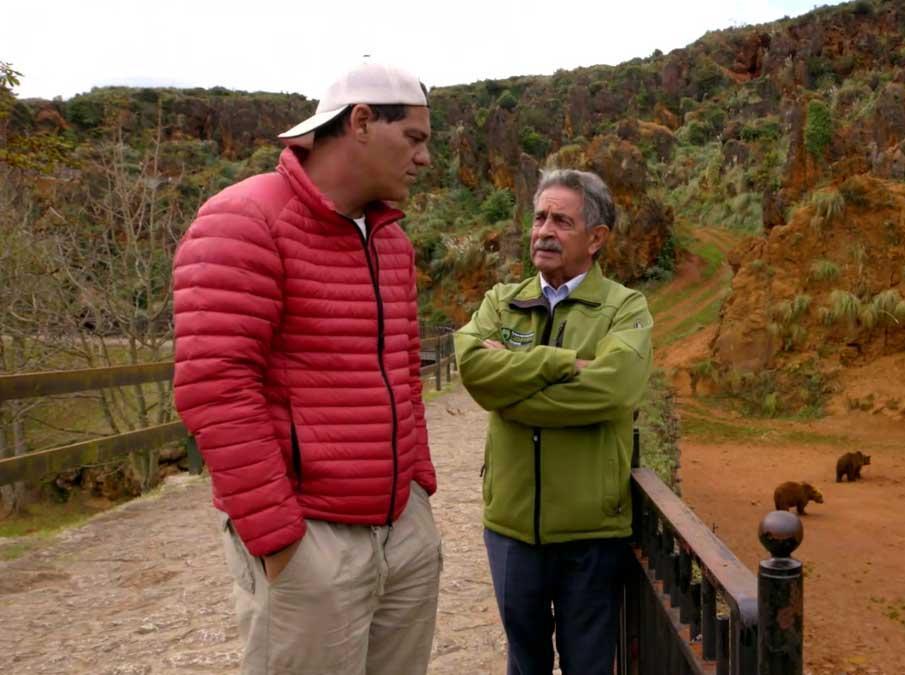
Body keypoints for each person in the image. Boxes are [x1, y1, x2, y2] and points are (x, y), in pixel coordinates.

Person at [172, 61, 441, 675]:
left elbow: (403, 366)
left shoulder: (390, 238)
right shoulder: (243, 219)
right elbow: (214, 386)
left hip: (400, 527)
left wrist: (418, 490)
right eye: (416, 139)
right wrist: (278, 540)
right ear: (364, 122)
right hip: (310, 538)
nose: (424, 160)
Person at [455, 169, 654, 674]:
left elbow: (614, 388)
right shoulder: (504, 298)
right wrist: (560, 363)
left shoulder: (624, 307)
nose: (544, 229)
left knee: (588, 666)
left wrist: (511, 394)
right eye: (540, 216)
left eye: (561, 220)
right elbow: (475, 369)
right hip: (511, 529)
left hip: (590, 534)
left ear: (596, 238)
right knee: (525, 664)